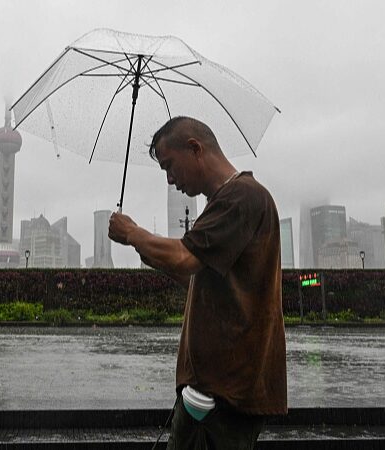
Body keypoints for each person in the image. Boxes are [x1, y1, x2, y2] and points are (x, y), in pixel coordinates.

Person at [109, 117, 287, 449]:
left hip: (224, 394)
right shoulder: (223, 202)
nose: (169, 178)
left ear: (195, 149)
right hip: (211, 390)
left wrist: (133, 233)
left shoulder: (241, 197)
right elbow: (200, 279)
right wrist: (153, 255)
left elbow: (185, 258)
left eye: (169, 165)